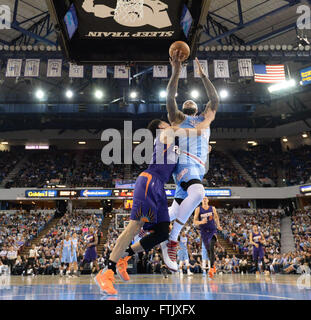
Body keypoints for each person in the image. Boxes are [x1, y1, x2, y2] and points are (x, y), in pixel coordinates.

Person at [95, 115, 214, 295]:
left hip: (158, 186)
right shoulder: (165, 132)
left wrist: (204, 150)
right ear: (160, 126)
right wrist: (208, 120)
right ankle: (106, 271)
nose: (171, 123)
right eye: (167, 122)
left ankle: (124, 256)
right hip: (149, 181)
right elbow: (195, 132)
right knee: (134, 227)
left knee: (162, 233)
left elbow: (189, 154)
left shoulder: (174, 144)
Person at [161, 50, 219, 272]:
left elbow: (214, 99)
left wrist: (205, 77)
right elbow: (169, 97)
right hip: (185, 164)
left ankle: (135, 241)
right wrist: (176, 71)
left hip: (197, 168)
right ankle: (173, 238)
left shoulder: (205, 119)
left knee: (171, 213)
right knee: (198, 194)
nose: (188, 100)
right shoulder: (179, 118)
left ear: (198, 108)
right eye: (186, 102)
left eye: (192, 101)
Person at [193, 197, 222, 278]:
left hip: (212, 230)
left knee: (211, 246)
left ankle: (212, 267)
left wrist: (218, 225)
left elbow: (216, 217)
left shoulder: (212, 208)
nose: (205, 199)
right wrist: (201, 222)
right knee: (209, 250)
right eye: (203, 198)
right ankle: (213, 266)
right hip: (204, 232)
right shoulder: (198, 209)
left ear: (208, 200)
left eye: (206, 198)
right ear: (201, 201)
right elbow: (194, 221)